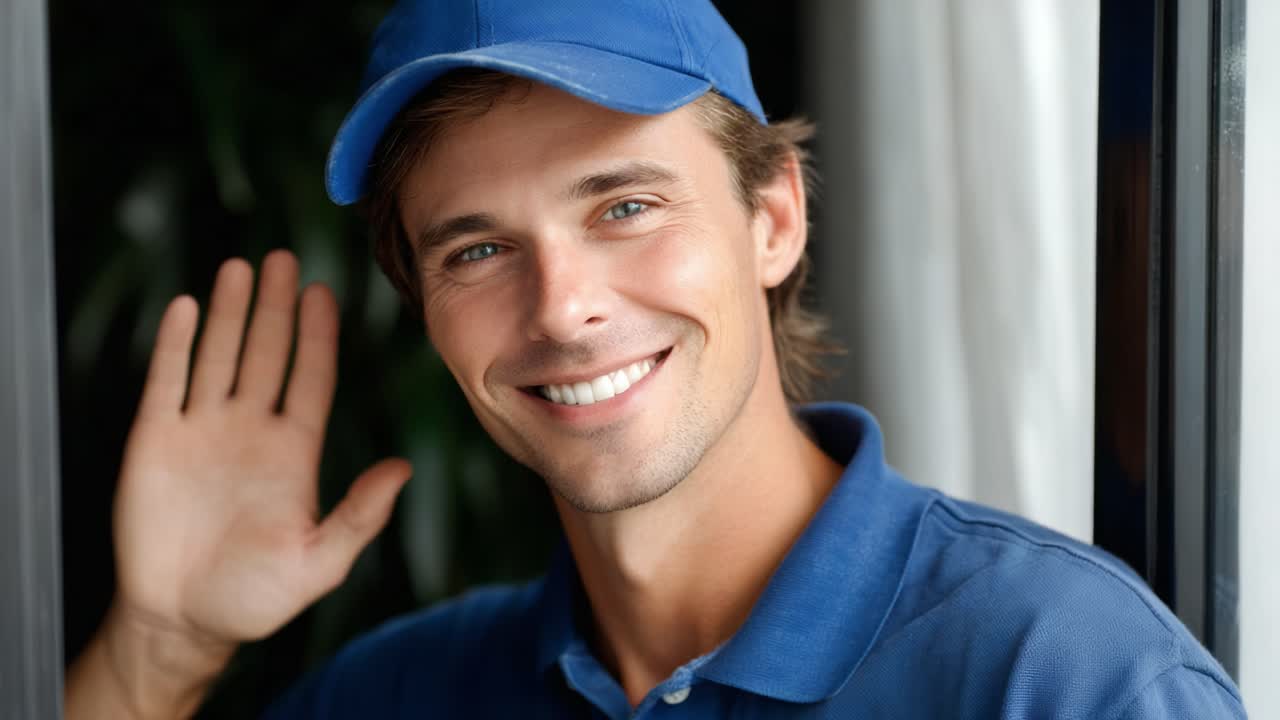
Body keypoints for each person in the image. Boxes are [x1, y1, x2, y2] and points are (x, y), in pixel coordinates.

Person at [65, 0, 1247, 718]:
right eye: (477, 249)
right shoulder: (399, 693)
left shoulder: (1064, 680)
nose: (563, 307)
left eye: (624, 207)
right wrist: (162, 650)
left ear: (772, 219)